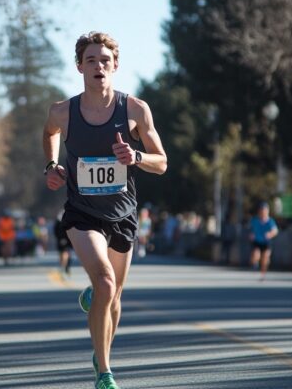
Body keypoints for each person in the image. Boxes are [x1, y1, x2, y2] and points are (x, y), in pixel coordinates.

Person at [42, 31, 167, 389]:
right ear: (80, 66)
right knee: (106, 282)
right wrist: (51, 166)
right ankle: (105, 371)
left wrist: (137, 156)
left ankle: (100, 331)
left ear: (116, 66)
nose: (99, 65)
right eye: (92, 60)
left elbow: (162, 163)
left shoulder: (135, 110)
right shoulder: (63, 111)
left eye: (105, 60)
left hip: (123, 214)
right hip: (82, 213)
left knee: (114, 298)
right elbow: (49, 132)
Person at [249, 201, 278, 281]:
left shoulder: (270, 221)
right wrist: (251, 235)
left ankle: (263, 274)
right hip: (257, 242)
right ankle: (255, 264)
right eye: (261, 210)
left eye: (264, 210)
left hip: (266, 242)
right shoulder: (255, 220)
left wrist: (270, 234)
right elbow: (251, 230)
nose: (263, 212)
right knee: (256, 254)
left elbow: (275, 230)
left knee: (265, 257)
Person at [54, 211, 73, 277]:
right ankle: (64, 266)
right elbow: (56, 231)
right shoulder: (59, 220)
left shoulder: (68, 218)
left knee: (66, 253)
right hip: (63, 239)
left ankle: (64, 267)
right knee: (63, 254)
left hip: (66, 239)